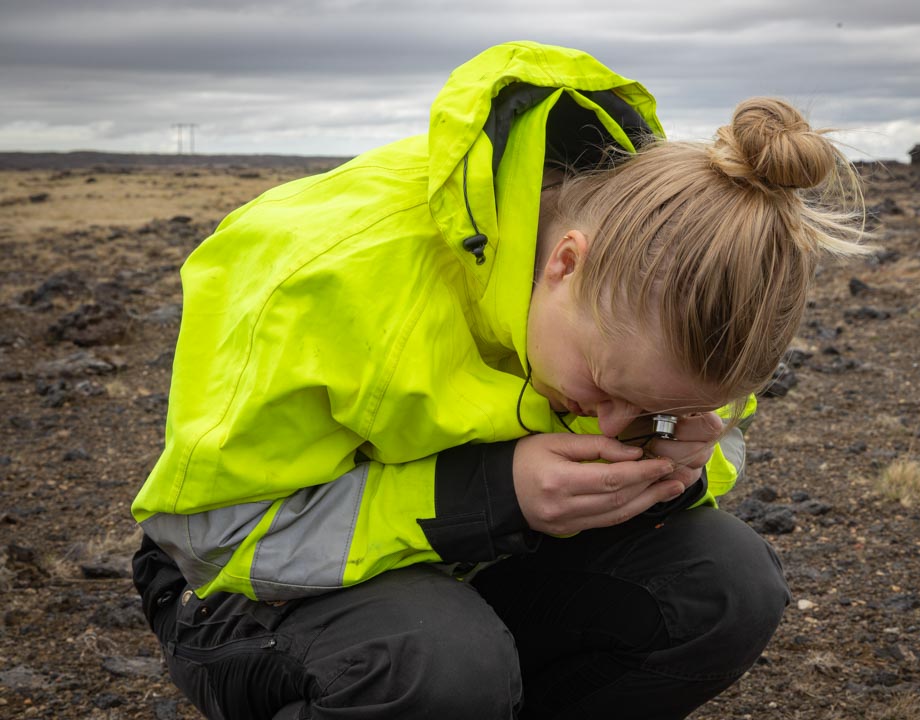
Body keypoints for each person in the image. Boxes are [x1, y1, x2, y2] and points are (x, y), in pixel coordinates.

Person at [131, 41, 868, 719]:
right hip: (233, 593)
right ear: (566, 264)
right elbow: (209, 538)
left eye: (660, 411)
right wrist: (491, 496)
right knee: (440, 661)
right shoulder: (321, 277)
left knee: (728, 582)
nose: (617, 424)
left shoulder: (683, 298)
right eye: (609, 389)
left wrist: (685, 460)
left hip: (472, 567)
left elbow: (715, 436)